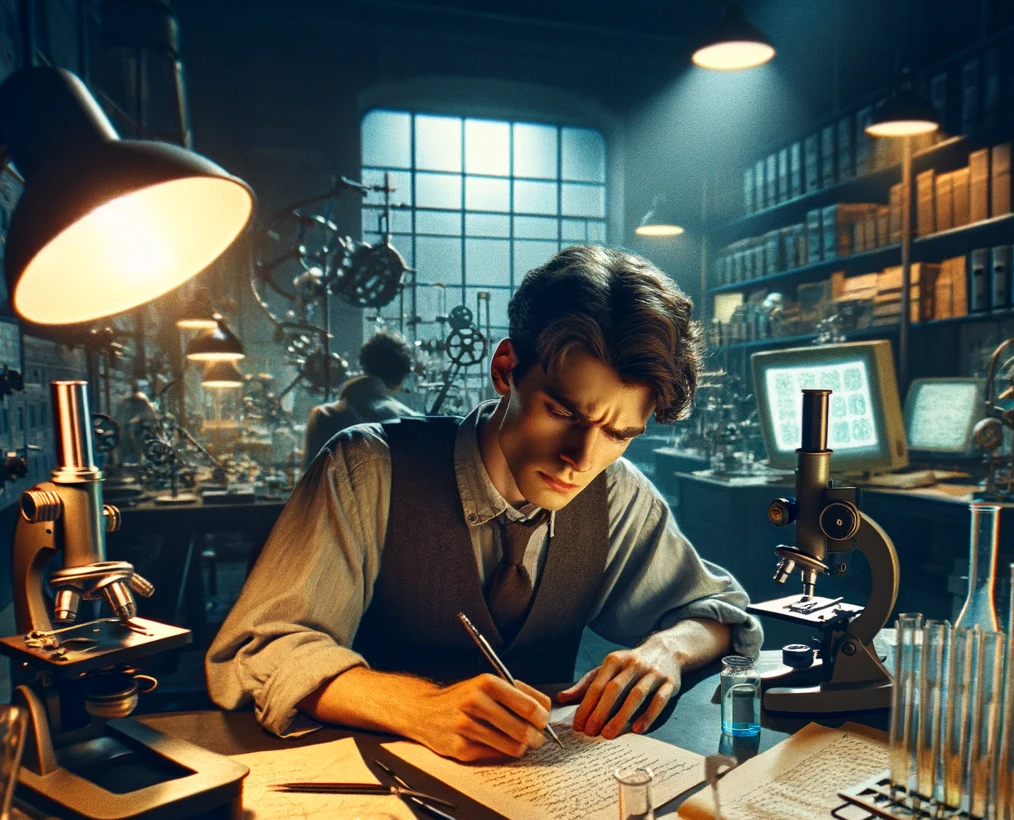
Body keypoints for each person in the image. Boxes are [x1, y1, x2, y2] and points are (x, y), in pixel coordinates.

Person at [208, 245, 762, 761]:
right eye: (564, 413)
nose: (581, 458)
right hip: (378, 790)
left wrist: (666, 650)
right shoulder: (367, 468)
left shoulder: (615, 491)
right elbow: (259, 650)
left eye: (618, 433)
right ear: (504, 369)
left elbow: (717, 615)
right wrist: (418, 707)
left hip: (542, 799)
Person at [301, 329, 419, 469]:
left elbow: (310, 484)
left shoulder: (324, 416)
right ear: (401, 378)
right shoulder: (412, 422)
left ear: (364, 364)